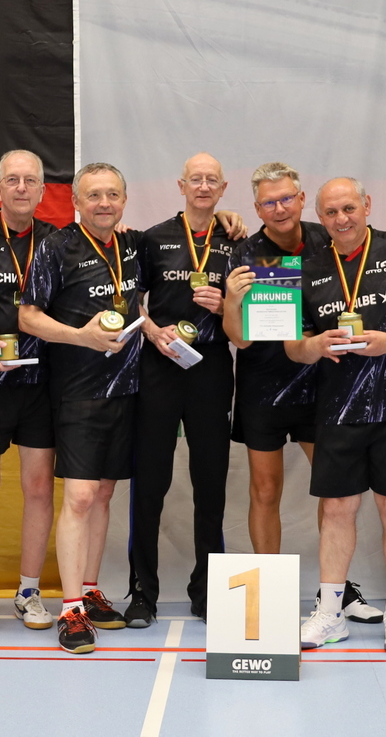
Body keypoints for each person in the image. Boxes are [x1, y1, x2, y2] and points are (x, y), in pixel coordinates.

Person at [287, 178, 386, 654]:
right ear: (320, 217)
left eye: (349, 208)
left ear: (367, 205)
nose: (342, 219)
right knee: (338, 508)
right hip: (338, 409)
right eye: (331, 212)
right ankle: (330, 613)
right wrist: (315, 345)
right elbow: (293, 347)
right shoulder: (307, 266)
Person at [222, 162, 383, 623]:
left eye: (286, 199)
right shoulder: (245, 253)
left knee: (335, 491)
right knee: (265, 489)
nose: (279, 209)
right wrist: (232, 299)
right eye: (269, 202)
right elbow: (239, 339)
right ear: (257, 209)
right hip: (262, 387)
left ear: (300, 198)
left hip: (321, 383)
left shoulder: (326, 238)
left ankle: (335, 592)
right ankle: (268, 596)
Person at [19, 162, 144, 654]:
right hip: (77, 391)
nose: (104, 203)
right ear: (76, 201)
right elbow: (28, 317)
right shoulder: (56, 247)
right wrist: (80, 337)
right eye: (94, 195)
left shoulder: (133, 246)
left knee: (105, 493)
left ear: (124, 200)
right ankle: (70, 610)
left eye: (112, 194)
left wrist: (227, 221)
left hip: (126, 389)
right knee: (80, 497)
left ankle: (90, 590)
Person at [127, 153, 237, 627]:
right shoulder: (153, 238)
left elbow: (250, 310)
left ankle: (207, 590)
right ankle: (142, 592)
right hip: (160, 364)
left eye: (212, 179)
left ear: (223, 188)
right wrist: (152, 331)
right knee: (150, 482)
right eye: (196, 179)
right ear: (181, 185)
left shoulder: (236, 240)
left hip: (211, 367)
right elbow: (130, 299)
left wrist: (227, 304)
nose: (204, 186)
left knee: (210, 484)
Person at [0, 149, 59, 633]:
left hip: (42, 383)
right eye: (13, 180)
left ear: (42, 190)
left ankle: (29, 591)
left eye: (31, 180)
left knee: (39, 487)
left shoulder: (58, 239)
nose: (22, 188)